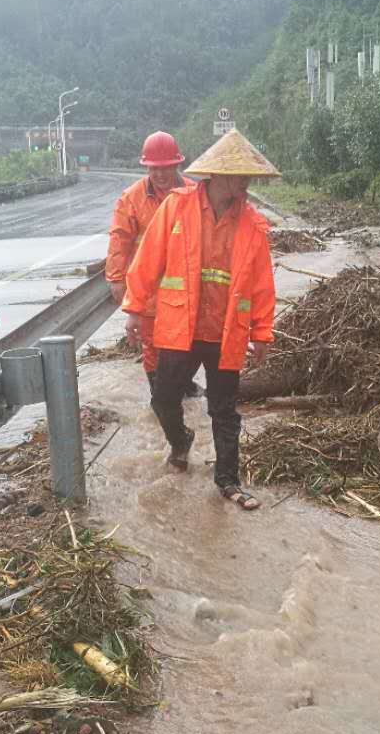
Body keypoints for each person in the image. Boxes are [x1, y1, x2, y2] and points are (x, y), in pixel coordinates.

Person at [121, 129, 279, 511]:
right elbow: (148, 260)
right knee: (163, 398)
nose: (246, 184)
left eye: (249, 177)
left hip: (226, 333)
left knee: (224, 409)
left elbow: (261, 282)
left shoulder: (253, 225)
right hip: (180, 327)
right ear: (220, 175)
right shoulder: (176, 208)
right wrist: (135, 309)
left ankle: (228, 481)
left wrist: (262, 333)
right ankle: (180, 441)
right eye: (241, 176)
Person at [105, 130, 198, 394]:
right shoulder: (131, 199)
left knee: (185, 345)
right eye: (154, 169)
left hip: (185, 291)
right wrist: (115, 278)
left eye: (165, 168)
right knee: (152, 345)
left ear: (177, 164)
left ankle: (181, 388)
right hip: (148, 290)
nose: (159, 175)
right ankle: (160, 399)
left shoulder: (194, 194)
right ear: (147, 167)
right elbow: (119, 239)